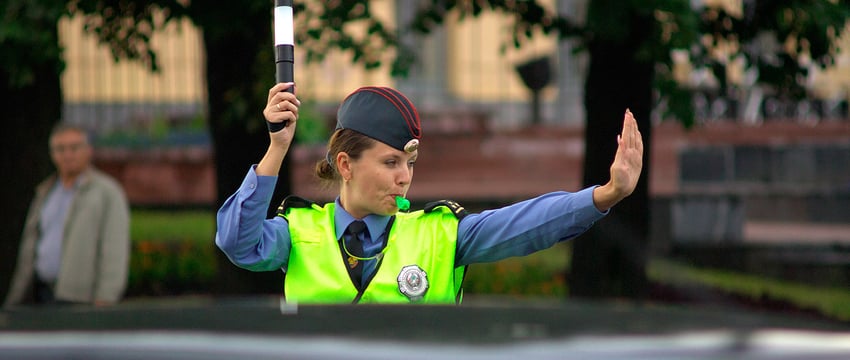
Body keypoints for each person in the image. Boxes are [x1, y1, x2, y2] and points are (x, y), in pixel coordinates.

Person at [216, 82, 643, 304]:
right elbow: (237, 242)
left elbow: (525, 223)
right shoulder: (296, 232)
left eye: (409, 164)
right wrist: (277, 148)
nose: (405, 178)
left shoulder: (440, 235)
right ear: (345, 165)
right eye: (390, 163)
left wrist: (604, 195)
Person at [4, 122, 131, 307]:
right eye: (60, 149)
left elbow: (114, 250)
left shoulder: (106, 193)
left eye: (74, 148)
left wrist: (106, 296)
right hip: (40, 292)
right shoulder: (46, 191)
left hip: (79, 297)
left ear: (88, 150)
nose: (67, 155)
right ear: (52, 154)